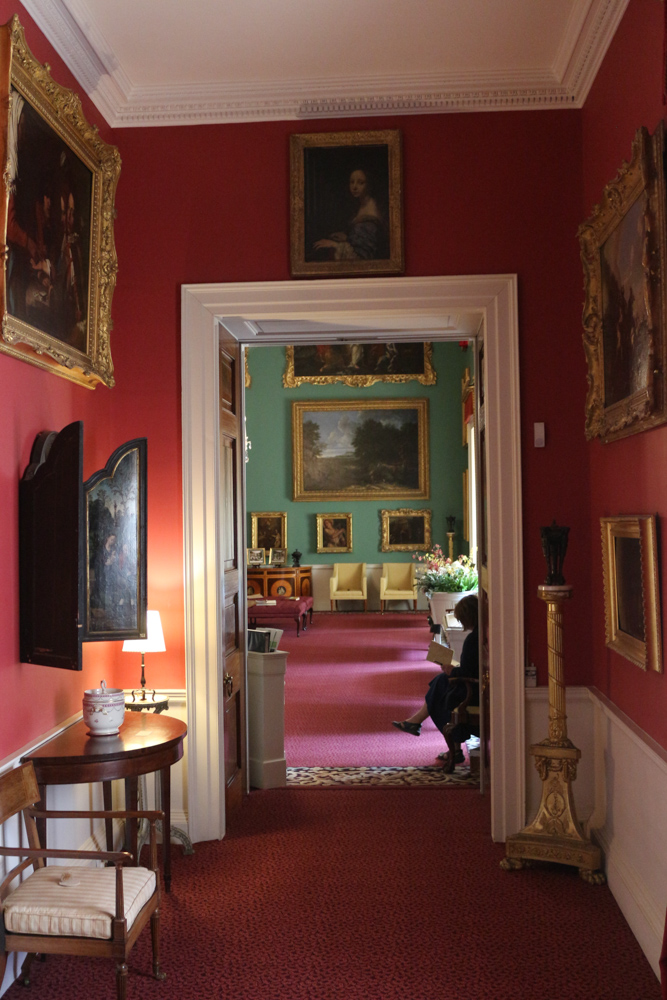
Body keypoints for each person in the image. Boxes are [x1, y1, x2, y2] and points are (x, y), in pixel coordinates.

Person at [391, 595, 479, 764]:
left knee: (439, 694)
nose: (461, 624)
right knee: (439, 683)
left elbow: (468, 672)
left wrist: (452, 669)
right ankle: (416, 722)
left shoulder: (473, 639)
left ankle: (451, 747)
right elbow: (471, 668)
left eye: (461, 620)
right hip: (474, 684)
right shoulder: (479, 636)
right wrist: (453, 670)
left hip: (471, 691)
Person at [313, 168, 387, 262]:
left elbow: (361, 258)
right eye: (352, 182)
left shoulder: (371, 214)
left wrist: (334, 245)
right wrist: (348, 238)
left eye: (360, 183)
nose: (354, 187)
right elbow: (360, 240)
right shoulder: (361, 205)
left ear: (369, 185)